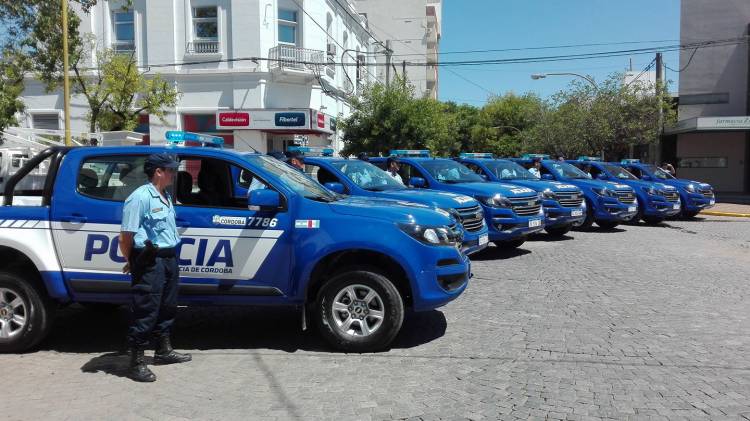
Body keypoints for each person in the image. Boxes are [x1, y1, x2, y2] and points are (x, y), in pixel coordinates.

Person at [120, 153, 192, 383]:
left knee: (168, 305)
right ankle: (136, 362)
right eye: (170, 170)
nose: (173, 173)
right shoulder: (140, 197)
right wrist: (132, 261)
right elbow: (125, 236)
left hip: (168, 257)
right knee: (146, 309)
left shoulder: (165, 195)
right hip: (150, 258)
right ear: (158, 172)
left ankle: (163, 351)